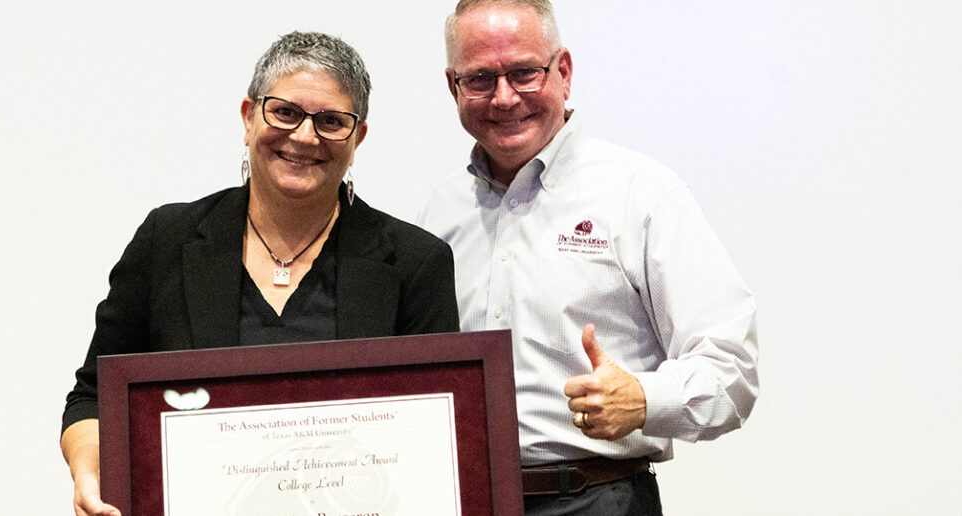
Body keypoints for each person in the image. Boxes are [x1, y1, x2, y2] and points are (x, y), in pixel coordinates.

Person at [60, 31, 460, 516]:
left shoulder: (416, 264)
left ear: (358, 139)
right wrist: (90, 472)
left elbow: (434, 437)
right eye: (285, 112)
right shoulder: (167, 239)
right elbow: (94, 396)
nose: (305, 136)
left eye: (332, 121)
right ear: (249, 116)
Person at [417, 1, 759, 514]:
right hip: (468, 501)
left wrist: (644, 399)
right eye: (481, 79)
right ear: (453, 88)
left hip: (600, 499)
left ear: (564, 72)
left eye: (524, 73)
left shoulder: (641, 194)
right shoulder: (439, 215)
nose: (505, 98)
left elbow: (733, 369)